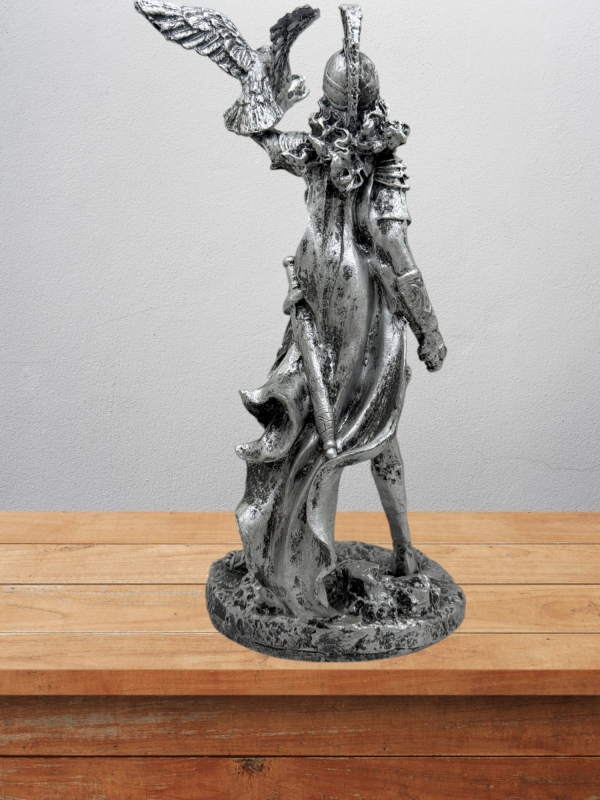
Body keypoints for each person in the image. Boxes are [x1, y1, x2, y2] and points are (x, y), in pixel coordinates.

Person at [233, 39, 447, 620]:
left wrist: (258, 91)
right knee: (361, 429)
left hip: (316, 281)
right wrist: (429, 330)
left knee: (321, 422)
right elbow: (398, 253)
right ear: (375, 102)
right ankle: (342, 561)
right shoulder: (380, 161)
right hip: (360, 307)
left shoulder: (316, 148)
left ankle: (360, 554)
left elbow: (265, 138)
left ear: (327, 103)